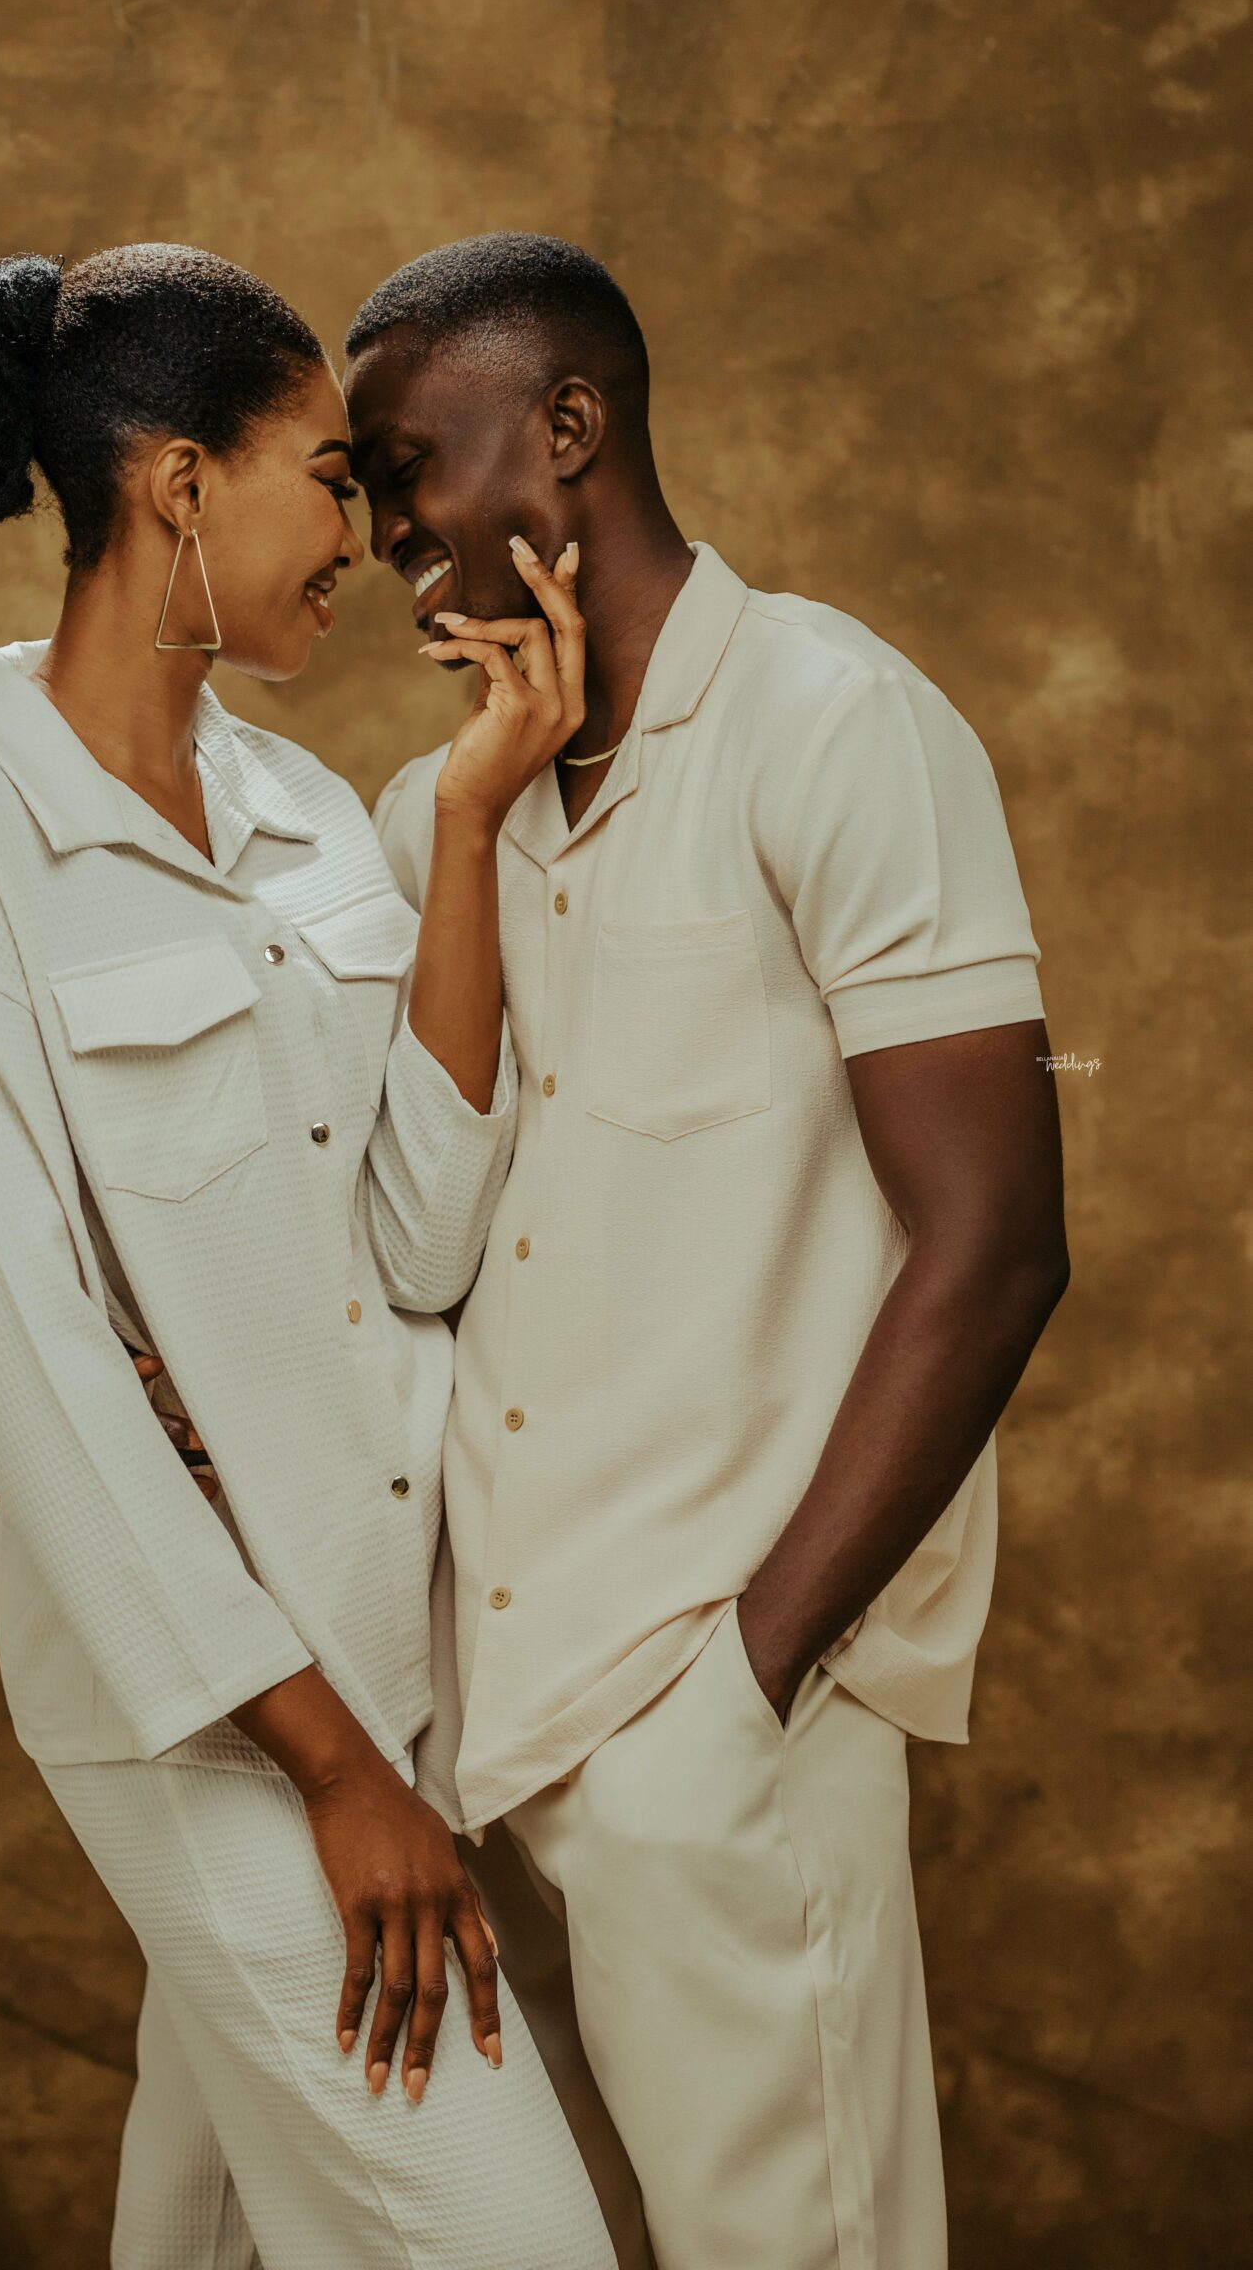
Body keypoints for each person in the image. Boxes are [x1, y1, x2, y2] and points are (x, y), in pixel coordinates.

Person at [0, 243, 619, 2270]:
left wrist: (469, 830)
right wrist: (331, 1770)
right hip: (217, 1718)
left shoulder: (307, 811)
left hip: (382, 1677)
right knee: (507, 2239)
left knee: (213, 2227)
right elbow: (28, 1363)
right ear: (169, 485)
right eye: (323, 477)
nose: (363, 533)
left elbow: (418, 1231)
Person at [346, 232, 1073, 2269]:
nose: (390, 522)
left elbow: (995, 1240)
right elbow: (417, 1241)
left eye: (410, 460)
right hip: (479, 1747)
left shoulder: (832, 726)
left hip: (708, 1720)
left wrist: (740, 1682)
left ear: (568, 426)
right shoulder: (436, 819)